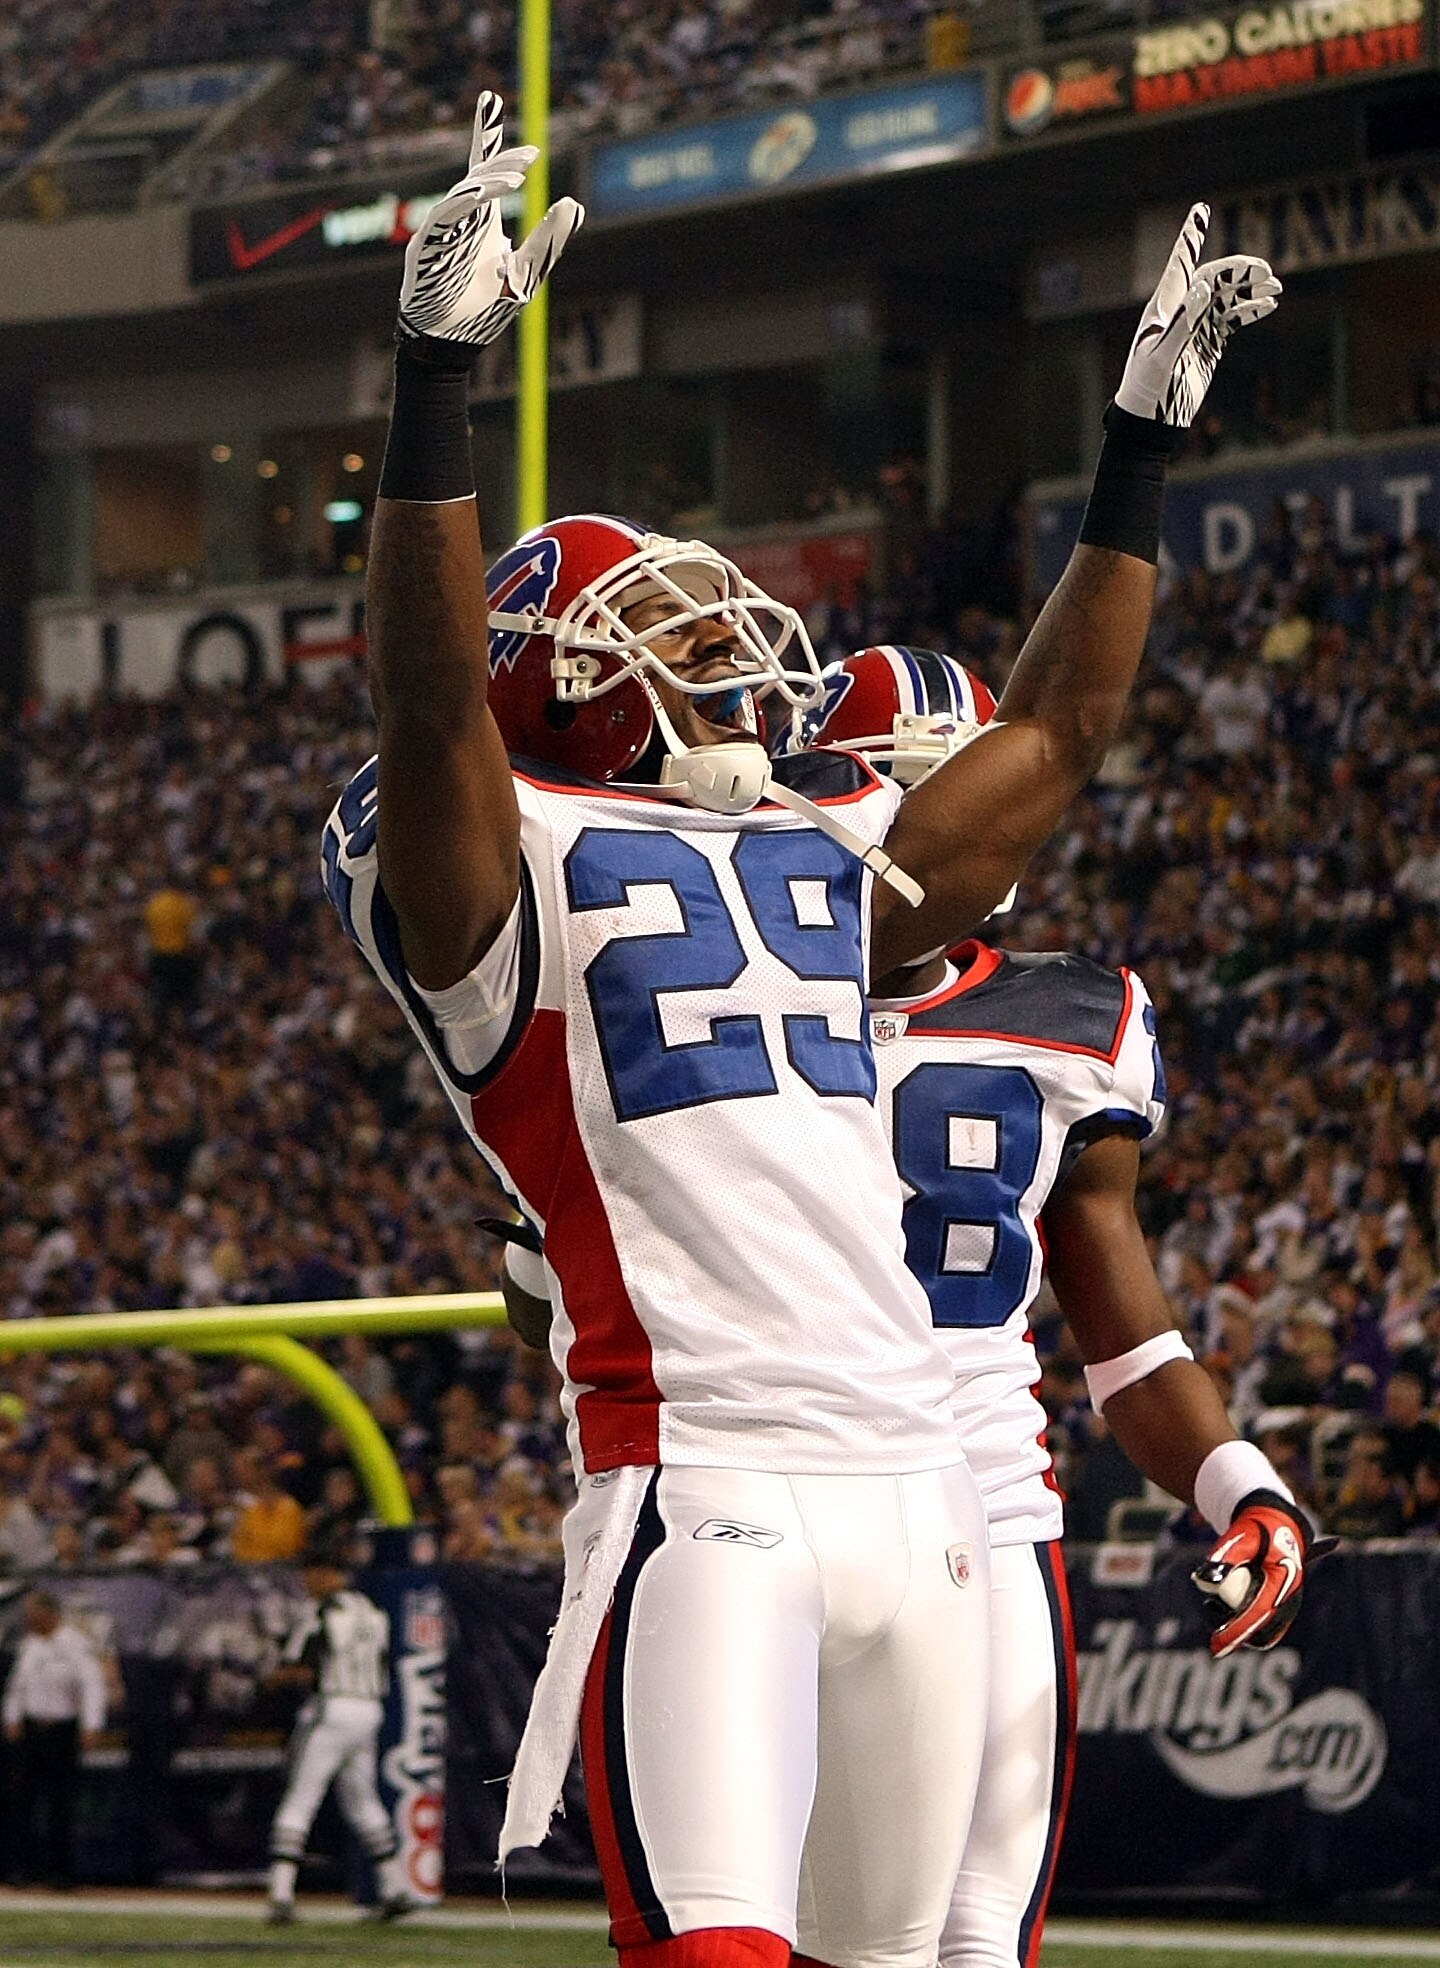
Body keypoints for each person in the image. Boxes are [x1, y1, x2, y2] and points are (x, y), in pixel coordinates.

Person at [325, 86, 1279, 1968]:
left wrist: (1138, 449)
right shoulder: (498, 865)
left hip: (930, 1500)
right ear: (563, 689)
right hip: (713, 1480)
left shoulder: (825, 865)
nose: (723, 641)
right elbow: (431, 714)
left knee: (918, 1956)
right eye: (659, 630)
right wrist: (434, 382)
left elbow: (1058, 738)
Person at [806, 645, 1330, 1968]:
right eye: (925, 797)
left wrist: (1245, 1488)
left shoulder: (1072, 1020)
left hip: (982, 1490)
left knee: (979, 1938)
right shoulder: (722, 997)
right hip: (769, 1478)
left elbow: (1130, 1344)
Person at [265, 1542, 416, 1923]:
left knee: (301, 1797)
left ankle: (281, 1893)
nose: (305, 1581)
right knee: (362, 1800)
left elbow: (300, 1666)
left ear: (323, 1572)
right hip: (369, 1709)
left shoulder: (320, 1613)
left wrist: (271, 1680)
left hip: (333, 1707)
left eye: (308, 1573)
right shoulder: (373, 1612)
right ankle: (394, 1886)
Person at [2, 1590, 106, 1886]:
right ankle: (22, 1868)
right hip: (32, 1731)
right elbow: (17, 1687)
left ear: (48, 1614)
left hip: (62, 1730)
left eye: (31, 1613)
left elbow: (92, 1684)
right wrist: (11, 1718)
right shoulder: (30, 1645)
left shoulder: (75, 1643)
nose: (26, 1619)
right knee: (23, 1800)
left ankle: (60, 1871)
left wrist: (92, 1724)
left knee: (60, 1801)